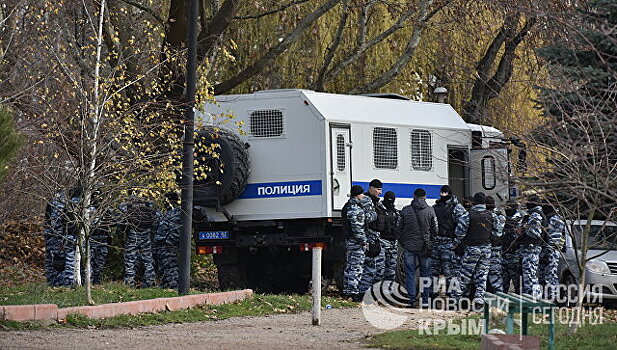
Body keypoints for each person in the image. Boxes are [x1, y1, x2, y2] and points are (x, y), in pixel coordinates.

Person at [452, 192, 496, 308]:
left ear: (474, 202)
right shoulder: (492, 216)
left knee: (464, 275)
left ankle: (455, 299)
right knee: (482, 275)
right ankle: (479, 301)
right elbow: (498, 233)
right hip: (486, 249)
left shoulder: (468, 215)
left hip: (472, 249)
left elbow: (459, 233)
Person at [396, 188, 437, 308]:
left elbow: (398, 228)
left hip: (409, 246)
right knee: (425, 273)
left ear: (413, 196)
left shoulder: (405, 210)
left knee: (410, 273)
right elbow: (435, 229)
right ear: (425, 197)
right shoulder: (430, 211)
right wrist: (430, 241)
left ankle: (411, 300)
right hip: (425, 248)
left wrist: (403, 242)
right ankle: (425, 301)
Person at [431, 185, 467, 296]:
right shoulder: (435, 207)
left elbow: (464, 225)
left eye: (445, 193)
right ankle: (433, 295)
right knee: (433, 271)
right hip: (437, 243)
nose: (443, 195)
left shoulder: (457, 207)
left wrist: (456, 242)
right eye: (442, 193)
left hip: (449, 244)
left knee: (449, 272)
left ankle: (452, 297)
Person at [119, 196, 159, 288]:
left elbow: (121, 221)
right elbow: (156, 220)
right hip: (146, 234)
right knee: (148, 260)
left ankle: (129, 283)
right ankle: (150, 281)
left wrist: (122, 232)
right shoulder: (149, 205)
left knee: (130, 260)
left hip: (133, 234)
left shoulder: (128, 206)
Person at [341, 185, 369, 302]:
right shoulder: (355, 209)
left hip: (350, 241)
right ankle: (353, 293)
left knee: (350, 267)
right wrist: (363, 241)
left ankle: (347, 291)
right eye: (362, 194)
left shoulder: (347, 206)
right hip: (355, 242)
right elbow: (357, 228)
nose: (363, 196)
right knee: (356, 267)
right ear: (358, 195)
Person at [517, 195, 545, 298]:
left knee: (530, 276)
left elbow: (535, 233)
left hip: (531, 249)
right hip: (530, 249)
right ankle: (531, 298)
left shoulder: (536, 215)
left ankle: (534, 300)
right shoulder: (533, 215)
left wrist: (524, 229)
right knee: (529, 276)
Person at [358, 179, 383, 293]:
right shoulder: (366, 200)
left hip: (375, 238)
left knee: (377, 269)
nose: (380, 192)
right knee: (369, 268)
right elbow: (367, 218)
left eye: (381, 190)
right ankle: (363, 292)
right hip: (368, 238)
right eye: (378, 189)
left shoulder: (376, 201)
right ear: (371, 188)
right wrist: (377, 214)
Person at [155, 193, 181, 289]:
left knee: (171, 265)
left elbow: (176, 229)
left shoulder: (178, 212)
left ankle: (174, 286)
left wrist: (170, 241)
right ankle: (165, 286)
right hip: (162, 242)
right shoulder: (168, 212)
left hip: (169, 243)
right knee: (163, 266)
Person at [539, 203, 565, 302]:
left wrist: (548, 251)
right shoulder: (549, 217)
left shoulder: (555, 219)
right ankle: (545, 298)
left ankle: (553, 299)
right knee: (544, 276)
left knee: (551, 275)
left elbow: (554, 239)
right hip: (545, 250)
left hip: (551, 251)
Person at [44, 191, 68, 286]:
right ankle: (57, 285)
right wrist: (61, 238)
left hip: (50, 235)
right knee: (58, 261)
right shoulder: (59, 203)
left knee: (51, 262)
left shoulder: (52, 201)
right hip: (55, 237)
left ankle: (52, 284)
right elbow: (56, 222)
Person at [501, 200, 524, 293]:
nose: (506, 210)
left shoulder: (520, 219)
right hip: (504, 254)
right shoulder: (504, 219)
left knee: (518, 285)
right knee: (503, 284)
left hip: (515, 256)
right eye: (505, 208)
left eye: (508, 208)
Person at [486, 196, 506, 293]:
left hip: (494, 248)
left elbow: (498, 232)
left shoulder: (498, 216)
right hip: (490, 248)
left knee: (495, 274)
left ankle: (497, 296)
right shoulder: (488, 215)